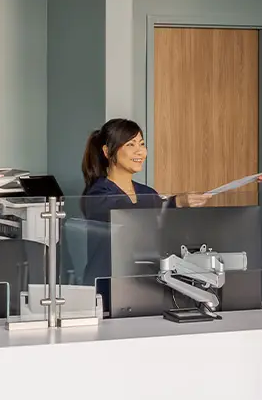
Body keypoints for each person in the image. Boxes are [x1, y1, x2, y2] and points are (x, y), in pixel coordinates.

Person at [76, 119, 208, 296]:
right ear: (107, 152)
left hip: (143, 283)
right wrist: (175, 202)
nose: (141, 151)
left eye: (142, 144)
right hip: (105, 286)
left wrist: (177, 204)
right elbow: (126, 213)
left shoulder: (147, 192)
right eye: (131, 144)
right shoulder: (97, 193)